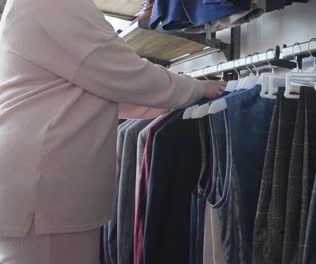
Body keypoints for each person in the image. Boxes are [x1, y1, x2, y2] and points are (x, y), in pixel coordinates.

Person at [0, 0, 226, 262]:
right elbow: (126, 74)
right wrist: (196, 88)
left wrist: (170, 100)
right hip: (44, 192)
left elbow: (104, 84)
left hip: (41, 185)